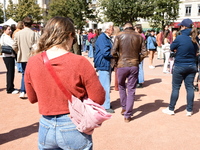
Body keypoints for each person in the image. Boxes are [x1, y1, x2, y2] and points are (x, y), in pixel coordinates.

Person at [24, 16, 105, 150]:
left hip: (46, 125)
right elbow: (98, 98)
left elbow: (32, 98)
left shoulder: (33, 61)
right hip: (73, 124)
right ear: (69, 35)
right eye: (73, 38)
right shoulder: (79, 62)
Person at [111, 22, 148, 122]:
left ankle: (124, 107)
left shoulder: (119, 35)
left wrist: (117, 60)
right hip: (134, 65)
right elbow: (145, 52)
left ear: (124, 27)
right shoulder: (139, 36)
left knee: (122, 86)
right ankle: (128, 114)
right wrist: (137, 60)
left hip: (122, 65)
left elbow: (113, 52)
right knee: (131, 89)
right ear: (133, 27)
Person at [162, 18, 198, 116]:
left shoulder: (180, 37)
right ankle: (189, 110)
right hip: (192, 65)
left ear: (184, 26)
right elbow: (196, 50)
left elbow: (171, 47)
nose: (180, 27)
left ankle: (171, 109)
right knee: (190, 87)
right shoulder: (195, 38)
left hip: (180, 65)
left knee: (176, 88)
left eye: (181, 26)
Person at [12, 16, 37, 99]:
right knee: (32, 74)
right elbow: (37, 45)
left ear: (23, 24)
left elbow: (14, 45)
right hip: (32, 56)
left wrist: (18, 52)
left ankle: (23, 91)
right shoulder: (33, 33)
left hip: (22, 56)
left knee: (24, 74)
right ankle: (33, 91)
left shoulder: (18, 33)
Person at [94, 22, 115, 113]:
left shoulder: (106, 38)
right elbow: (106, 52)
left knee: (106, 84)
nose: (113, 29)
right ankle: (105, 106)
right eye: (112, 28)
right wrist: (116, 54)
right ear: (107, 29)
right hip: (103, 63)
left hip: (105, 63)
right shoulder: (103, 38)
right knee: (105, 85)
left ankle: (105, 103)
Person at [0, 25, 19, 94]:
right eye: (8, 29)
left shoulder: (4, 36)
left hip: (7, 56)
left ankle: (10, 87)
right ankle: (10, 88)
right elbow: (13, 45)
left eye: (10, 29)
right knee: (10, 72)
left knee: (10, 72)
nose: (10, 30)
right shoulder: (6, 37)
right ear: (4, 30)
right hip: (9, 56)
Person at [134, 24, 146, 88]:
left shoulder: (141, 36)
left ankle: (140, 81)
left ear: (138, 29)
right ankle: (137, 80)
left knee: (140, 67)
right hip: (137, 53)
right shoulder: (138, 35)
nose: (134, 30)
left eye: (135, 29)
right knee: (137, 67)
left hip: (140, 53)